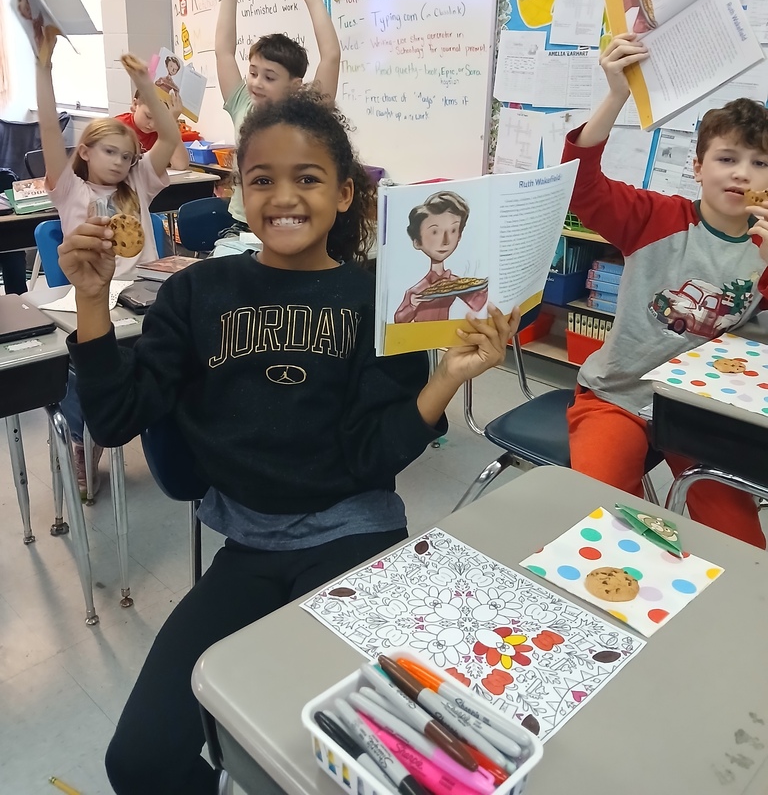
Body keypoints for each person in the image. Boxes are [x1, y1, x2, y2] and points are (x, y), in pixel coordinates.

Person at [59, 89, 518, 794]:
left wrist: (445, 379)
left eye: (307, 179)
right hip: (248, 548)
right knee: (139, 763)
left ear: (341, 193)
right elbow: (116, 418)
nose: (284, 197)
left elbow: (374, 456)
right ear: (239, 191)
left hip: (352, 538)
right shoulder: (196, 293)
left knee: (347, 768)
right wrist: (91, 300)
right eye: (262, 178)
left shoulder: (377, 299)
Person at [563, 32, 768, 549]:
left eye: (761, 163)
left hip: (703, 408)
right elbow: (581, 185)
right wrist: (616, 95)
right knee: (606, 519)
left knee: (738, 537)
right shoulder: (657, 218)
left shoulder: (765, 242)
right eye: (727, 159)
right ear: (697, 168)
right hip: (618, 394)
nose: (744, 173)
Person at [37, 40, 181, 496]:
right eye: (111, 153)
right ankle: (82, 440)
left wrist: (143, 84)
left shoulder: (139, 184)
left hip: (141, 296)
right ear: (85, 151)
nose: (121, 163)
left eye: (128, 156)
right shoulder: (69, 190)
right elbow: (46, 127)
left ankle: (145, 425)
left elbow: (171, 138)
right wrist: (44, 68)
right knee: (86, 368)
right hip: (92, 301)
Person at [213, 0, 341, 256]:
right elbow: (224, 52)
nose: (256, 82)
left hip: (292, 225)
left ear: (294, 85)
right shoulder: (244, 103)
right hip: (244, 228)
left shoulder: (308, 114)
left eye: (269, 77)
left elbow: (331, 57)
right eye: (254, 72)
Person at [394, 190, 488, 323]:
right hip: (419, 338)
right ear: (417, 241)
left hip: (447, 339)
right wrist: (413, 305)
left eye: (453, 230)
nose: (445, 240)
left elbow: (478, 303)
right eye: (435, 232)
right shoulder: (416, 290)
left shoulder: (453, 283)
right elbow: (399, 320)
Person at [116, 87, 189, 169]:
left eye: (161, 120)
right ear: (135, 104)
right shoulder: (118, 126)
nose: (153, 125)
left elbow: (181, 165)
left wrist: (170, 123)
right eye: (148, 116)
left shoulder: (164, 129)